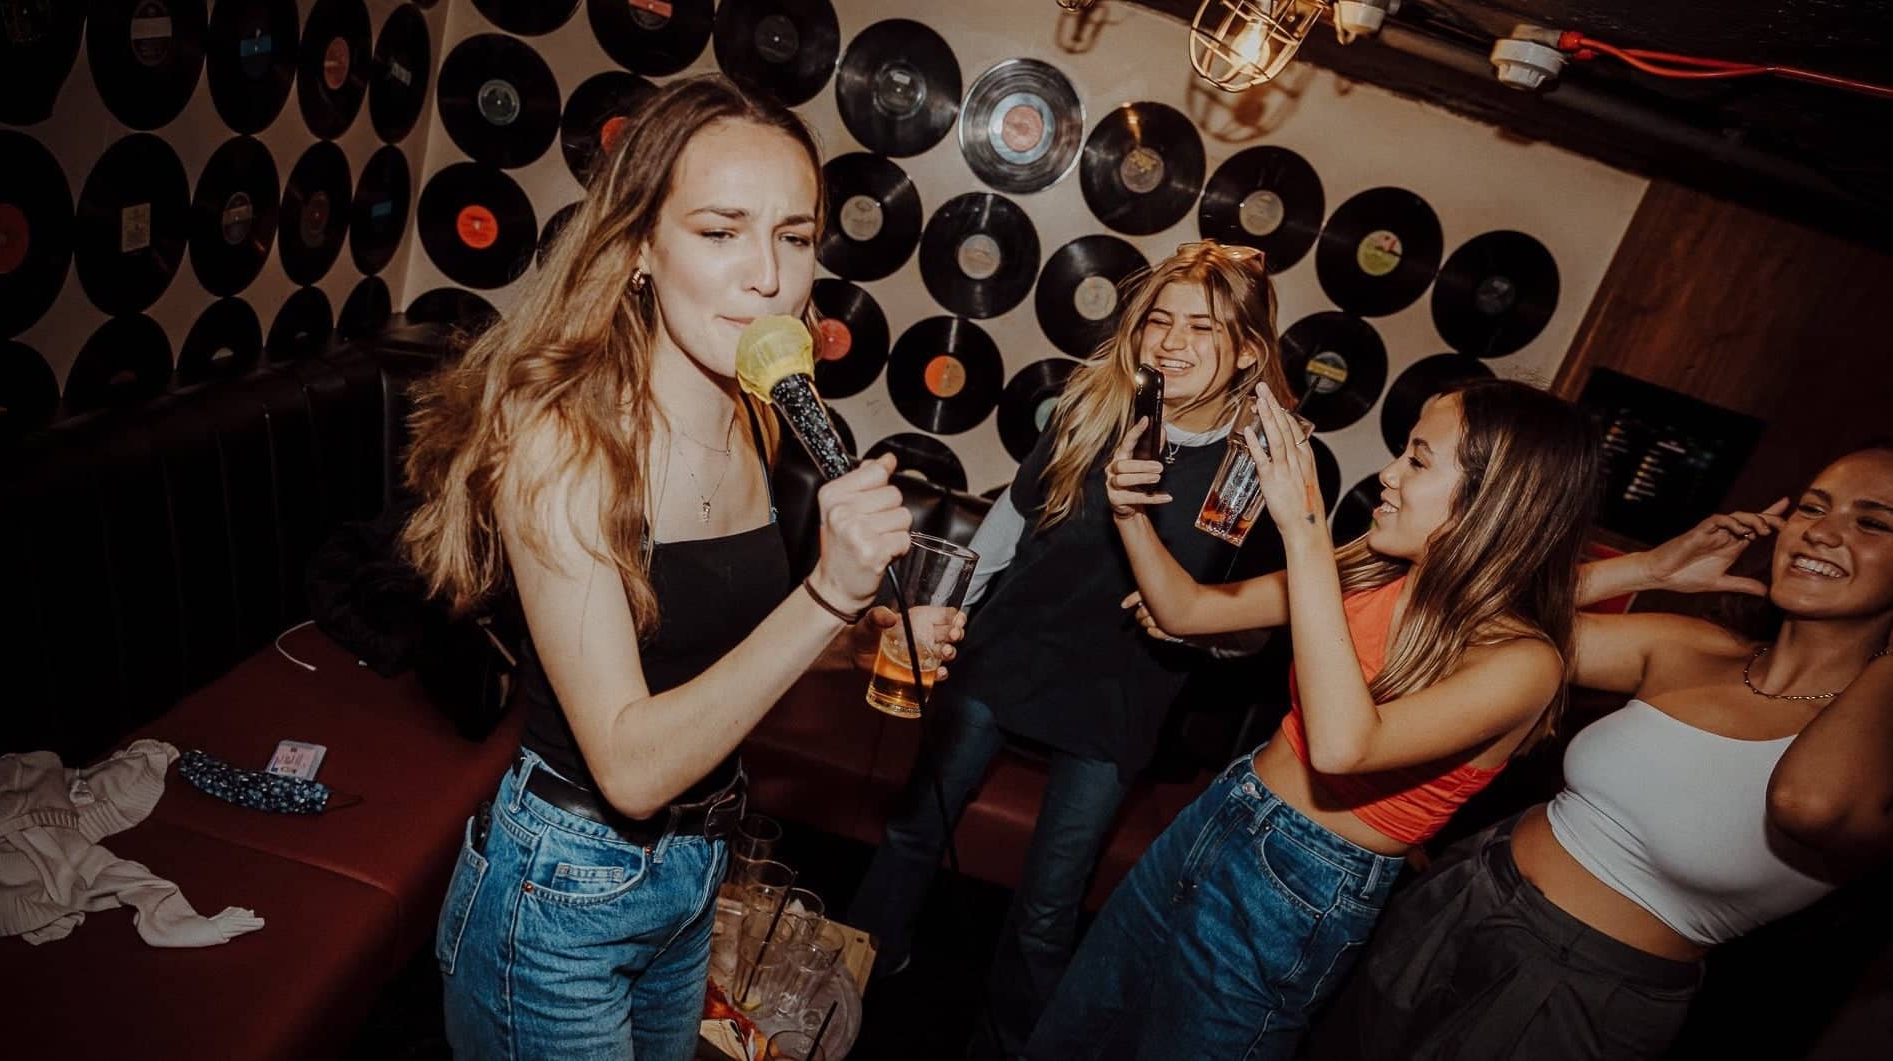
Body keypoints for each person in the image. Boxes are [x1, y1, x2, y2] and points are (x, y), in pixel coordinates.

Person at [400, 76, 955, 1060]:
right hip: (564, 890)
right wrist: (826, 594)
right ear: (640, 248)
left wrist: (855, 635)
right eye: (719, 231)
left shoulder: (758, 415)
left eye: (793, 235)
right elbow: (630, 766)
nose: (768, 276)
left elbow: (717, 648)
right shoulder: (564, 443)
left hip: (697, 870)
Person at [1025, 377, 1604, 1060]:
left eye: (1418, 460)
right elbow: (1186, 610)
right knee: (1076, 1030)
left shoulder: (1523, 662)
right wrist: (1129, 516)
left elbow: (1343, 746)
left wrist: (1303, 530)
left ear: (1497, 500)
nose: (1389, 474)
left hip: (1303, 884)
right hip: (1223, 811)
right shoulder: (1373, 571)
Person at [846, 242, 1295, 1056]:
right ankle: (854, 977)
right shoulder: (1094, 407)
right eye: (1159, 319)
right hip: (1007, 652)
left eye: (1202, 326)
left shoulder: (1258, 468)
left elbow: (1260, 625)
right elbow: (1004, 531)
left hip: (1120, 697)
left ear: (1247, 352)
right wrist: (935, 616)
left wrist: (1200, 627)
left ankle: (1015, 1042)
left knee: (1049, 903)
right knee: (915, 828)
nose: (1172, 340)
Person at [1305, 442, 1893, 1061]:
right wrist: (1647, 570)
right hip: (1464, 887)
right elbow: (1481, 622)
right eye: (1812, 508)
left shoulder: (1873, 753)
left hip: (1578, 989)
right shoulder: (1696, 647)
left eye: (1873, 523)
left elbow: (1807, 803)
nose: (1822, 532)